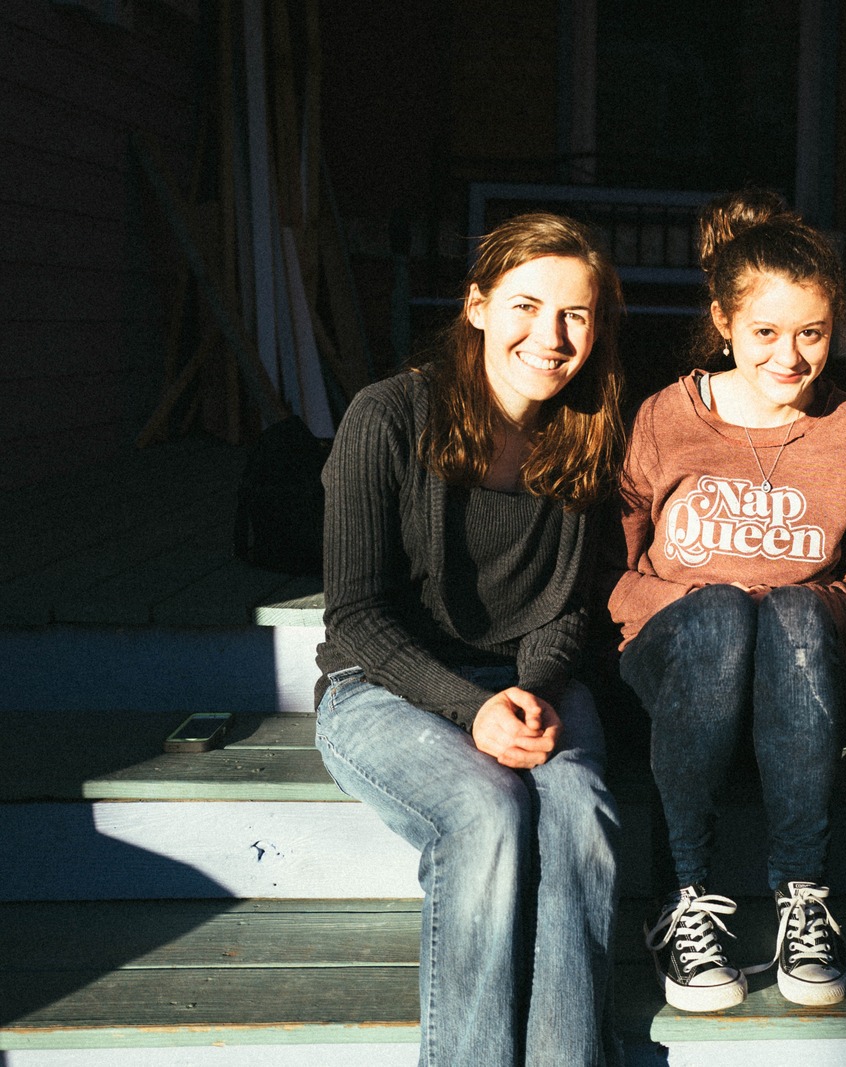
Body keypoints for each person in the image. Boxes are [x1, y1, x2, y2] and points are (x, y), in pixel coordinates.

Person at [313, 213, 627, 1067]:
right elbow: (356, 615)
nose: (551, 336)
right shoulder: (387, 416)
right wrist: (472, 705)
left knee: (578, 818)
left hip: (532, 678)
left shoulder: (590, 429)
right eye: (527, 305)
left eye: (576, 315)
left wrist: (531, 688)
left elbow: (573, 606)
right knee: (487, 811)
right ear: (478, 306)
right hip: (381, 687)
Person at [608, 190, 846, 1013]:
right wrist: (709, 603)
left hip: (795, 679)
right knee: (725, 611)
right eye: (766, 332)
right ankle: (683, 896)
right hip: (676, 668)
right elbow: (613, 564)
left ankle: (804, 895)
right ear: (724, 322)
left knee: (795, 611)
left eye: (812, 332)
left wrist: (796, 609)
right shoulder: (667, 415)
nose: (791, 356)